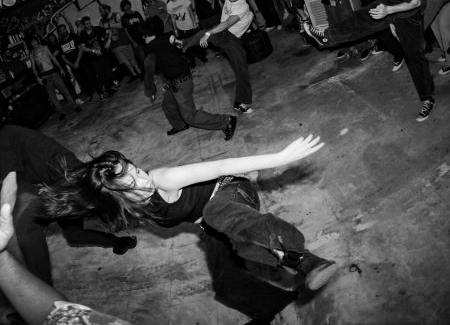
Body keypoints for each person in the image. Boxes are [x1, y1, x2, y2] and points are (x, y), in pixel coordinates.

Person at [40, 134, 338, 324]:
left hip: (232, 191)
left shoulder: (165, 178)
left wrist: (278, 159)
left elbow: (221, 166)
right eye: (131, 181)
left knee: (221, 214)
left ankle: (306, 260)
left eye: (137, 171)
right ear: (117, 192)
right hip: (213, 219)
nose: (142, 181)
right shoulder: (129, 208)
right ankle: (272, 303)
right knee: (226, 279)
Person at [304, 0, 450, 122]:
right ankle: (326, 35)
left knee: (414, 56)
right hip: (396, 0)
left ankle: (427, 99)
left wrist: (388, 12)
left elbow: (415, 2)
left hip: (411, 12)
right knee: (363, 17)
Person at [0, 125, 137, 287]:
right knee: (74, 236)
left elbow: (10, 187)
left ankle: (43, 295)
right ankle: (121, 241)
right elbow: (21, 181)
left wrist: (3, 222)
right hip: (58, 185)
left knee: (26, 229)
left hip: (68, 181)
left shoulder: (3, 138)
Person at [0, 203, 131, 325]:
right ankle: (122, 241)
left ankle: (121, 241)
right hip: (51, 190)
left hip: (57, 191)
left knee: (29, 228)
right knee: (73, 235)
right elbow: (57, 313)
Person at [142, 18, 236, 139]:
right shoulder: (168, 38)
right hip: (180, 78)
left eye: (144, 36)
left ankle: (226, 121)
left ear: (150, 34)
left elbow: (149, 66)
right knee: (168, 104)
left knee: (190, 116)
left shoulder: (150, 48)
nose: (143, 38)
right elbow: (183, 44)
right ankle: (180, 125)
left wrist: (150, 89)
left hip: (180, 82)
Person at [191, 0, 254, 114]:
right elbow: (227, 24)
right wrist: (208, 34)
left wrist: (209, 33)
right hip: (229, 37)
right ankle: (241, 104)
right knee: (210, 33)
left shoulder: (240, 5)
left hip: (232, 39)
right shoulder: (236, 2)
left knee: (241, 70)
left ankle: (240, 102)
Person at [29, 35, 81, 121]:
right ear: (30, 44)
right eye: (32, 42)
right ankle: (61, 112)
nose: (34, 43)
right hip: (45, 76)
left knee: (65, 91)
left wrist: (60, 68)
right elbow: (33, 67)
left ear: (37, 41)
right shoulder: (31, 53)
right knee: (53, 97)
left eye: (35, 41)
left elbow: (53, 58)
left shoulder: (45, 47)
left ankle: (74, 106)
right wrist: (38, 78)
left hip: (54, 73)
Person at [165, 0, 207, 68]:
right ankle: (192, 61)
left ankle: (201, 56)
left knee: (196, 41)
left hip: (191, 25)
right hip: (181, 28)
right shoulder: (169, 5)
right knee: (186, 44)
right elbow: (172, 17)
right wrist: (175, 29)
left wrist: (194, 23)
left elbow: (190, 10)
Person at [79, 16, 117, 100]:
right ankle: (109, 91)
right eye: (86, 24)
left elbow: (109, 31)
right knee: (101, 75)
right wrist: (93, 51)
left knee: (109, 72)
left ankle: (110, 87)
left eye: (89, 23)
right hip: (93, 59)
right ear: (83, 25)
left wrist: (109, 41)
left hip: (103, 55)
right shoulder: (83, 35)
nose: (88, 25)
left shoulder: (97, 29)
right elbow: (82, 47)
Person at [100, 4, 141, 80]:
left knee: (133, 61)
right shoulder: (102, 21)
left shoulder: (116, 15)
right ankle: (135, 75)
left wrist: (109, 25)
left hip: (125, 42)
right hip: (115, 46)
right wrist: (107, 34)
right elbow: (103, 33)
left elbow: (121, 25)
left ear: (106, 9)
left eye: (101, 10)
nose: (100, 12)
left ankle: (140, 73)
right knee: (127, 63)